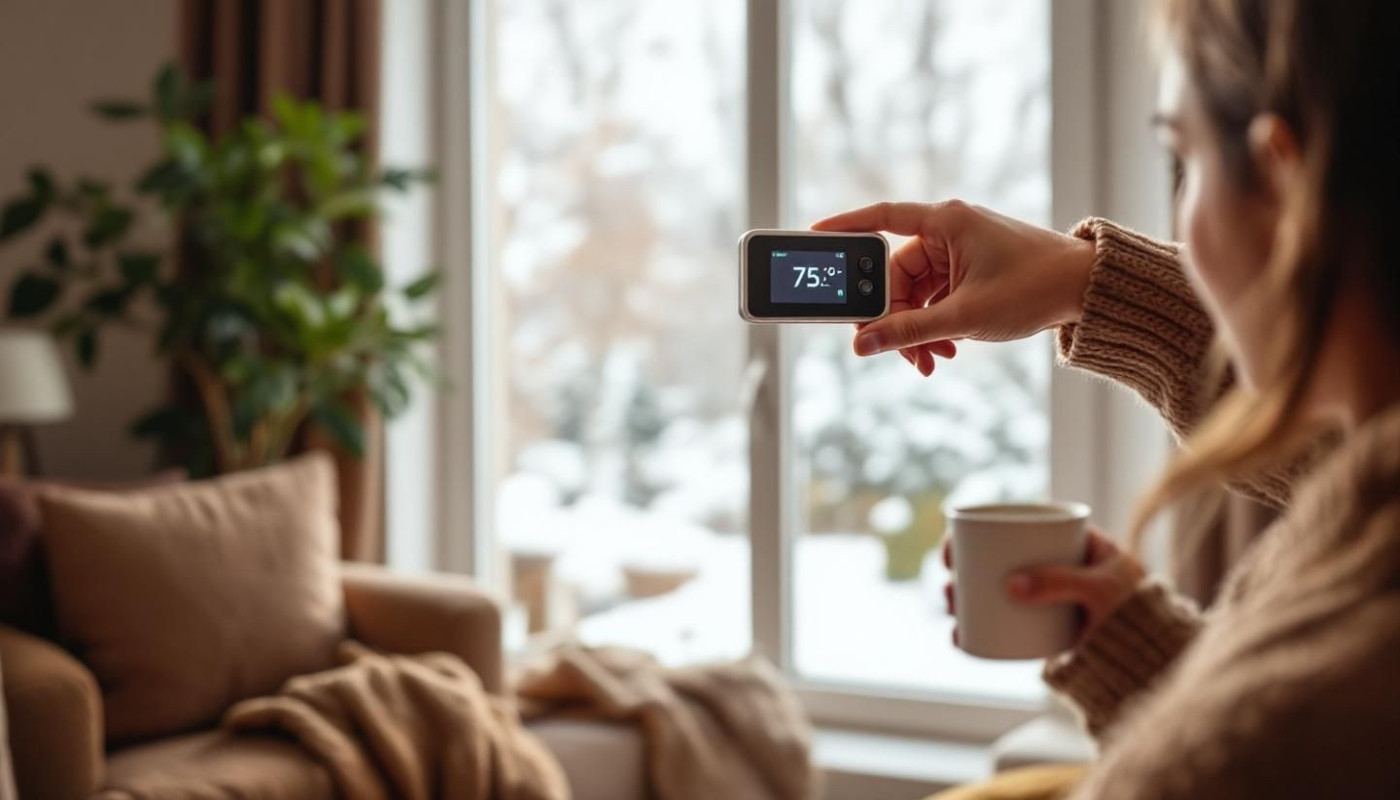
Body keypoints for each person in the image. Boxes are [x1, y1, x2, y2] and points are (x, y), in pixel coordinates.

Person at [814, 0, 1400, 797]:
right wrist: (1140, 649)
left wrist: (1206, 731)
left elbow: (1272, 747)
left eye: (1184, 158)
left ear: (1281, 185)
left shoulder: (1297, 704)